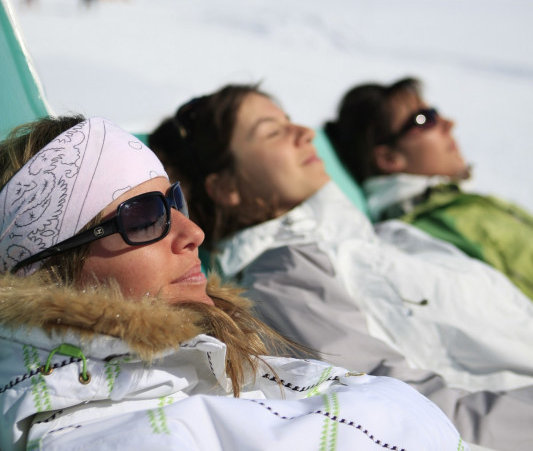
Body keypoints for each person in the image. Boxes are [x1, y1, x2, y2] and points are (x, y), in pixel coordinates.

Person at [0, 116, 467, 451]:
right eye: (144, 217)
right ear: (47, 273)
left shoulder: (215, 360)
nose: (192, 233)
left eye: (174, 200)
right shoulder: (105, 435)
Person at [150, 84, 533, 451]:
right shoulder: (284, 278)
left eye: (291, 120)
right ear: (226, 188)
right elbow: (405, 408)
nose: (303, 132)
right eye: (273, 132)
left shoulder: (394, 237)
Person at [323, 77, 533, 300]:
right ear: (389, 158)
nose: (449, 123)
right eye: (424, 119)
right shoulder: (427, 232)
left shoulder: (455, 205)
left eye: (435, 112)